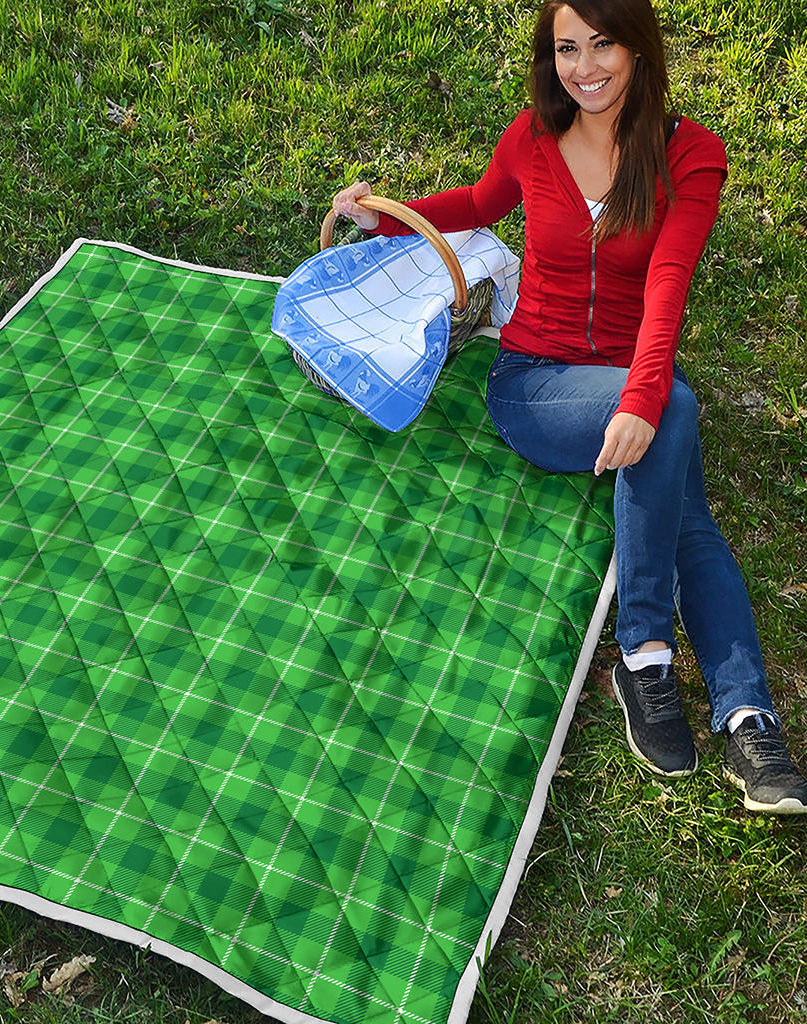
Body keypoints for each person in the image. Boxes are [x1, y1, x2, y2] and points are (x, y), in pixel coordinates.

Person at [331, 0, 807, 814]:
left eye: (603, 45)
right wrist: (386, 221)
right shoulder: (532, 137)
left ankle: (740, 713)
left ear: (639, 49)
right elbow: (479, 204)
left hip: (627, 375)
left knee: (681, 477)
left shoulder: (690, 155)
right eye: (566, 49)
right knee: (677, 420)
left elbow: (668, 284)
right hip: (534, 383)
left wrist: (644, 397)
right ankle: (652, 655)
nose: (584, 67)